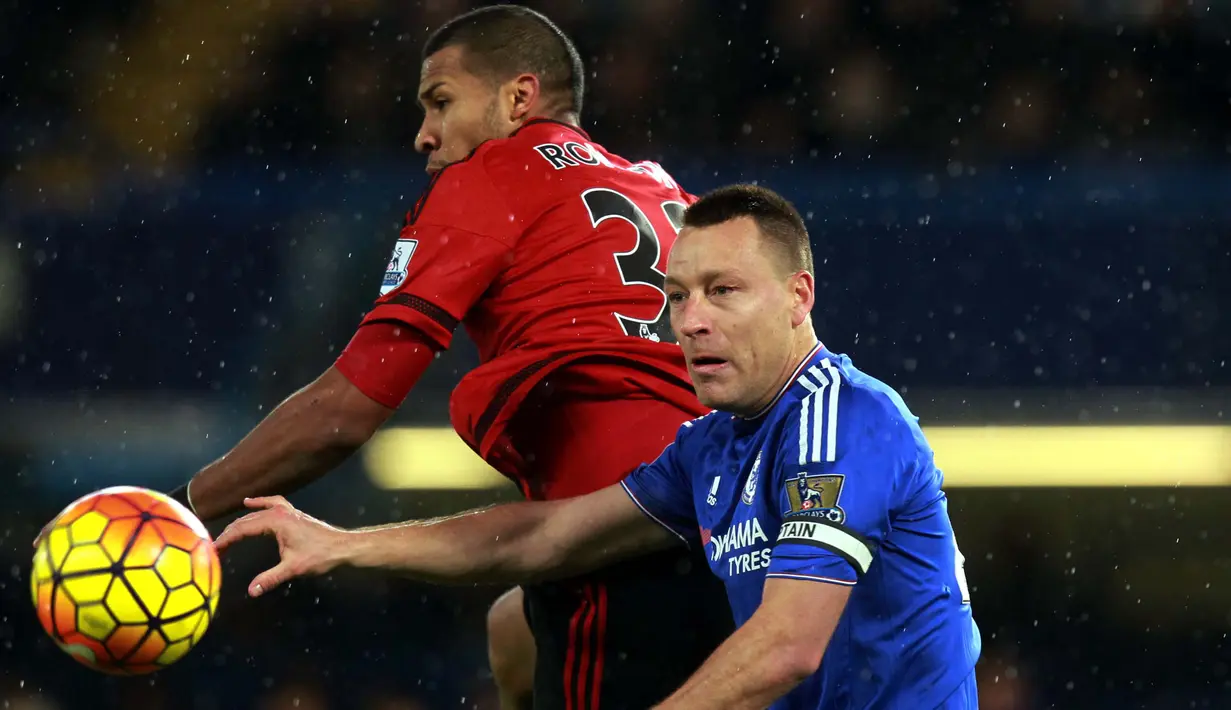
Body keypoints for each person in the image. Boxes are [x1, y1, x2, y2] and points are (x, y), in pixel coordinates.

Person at [34, 5, 734, 709]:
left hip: (623, 546)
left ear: (518, 98)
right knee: (511, 634)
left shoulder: (490, 175)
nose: (423, 135)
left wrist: (178, 509)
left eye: (441, 101)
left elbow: (347, 407)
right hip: (728, 516)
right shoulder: (664, 189)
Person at [214, 184, 983, 709]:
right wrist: (344, 544)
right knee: (516, 620)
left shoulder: (841, 419)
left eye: (723, 291)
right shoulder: (711, 448)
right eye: (676, 296)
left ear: (797, 298)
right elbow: (544, 535)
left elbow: (787, 646)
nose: (690, 321)